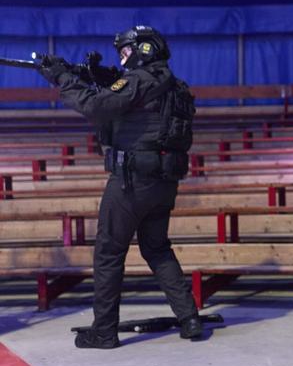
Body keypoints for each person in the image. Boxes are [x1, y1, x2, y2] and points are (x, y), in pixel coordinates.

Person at [39, 25, 202, 348]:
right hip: (163, 181)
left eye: (126, 50)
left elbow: (96, 108)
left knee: (109, 252)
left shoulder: (139, 80)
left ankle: (104, 331)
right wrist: (93, 77)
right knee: (156, 248)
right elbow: (125, 103)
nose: (123, 57)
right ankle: (190, 318)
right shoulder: (175, 85)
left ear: (145, 49)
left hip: (131, 181)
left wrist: (62, 78)